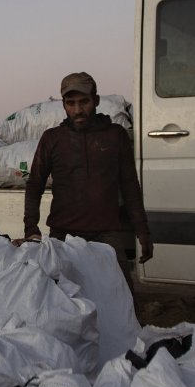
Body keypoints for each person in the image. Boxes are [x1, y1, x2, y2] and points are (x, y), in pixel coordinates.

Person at [23, 72, 153, 291]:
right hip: (63, 236)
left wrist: (143, 231)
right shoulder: (52, 138)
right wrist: (31, 228)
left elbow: (130, 185)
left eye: (84, 102)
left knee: (123, 298)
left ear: (96, 101)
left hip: (107, 236)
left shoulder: (115, 136)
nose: (77, 110)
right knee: (65, 302)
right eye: (70, 103)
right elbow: (35, 183)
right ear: (63, 105)